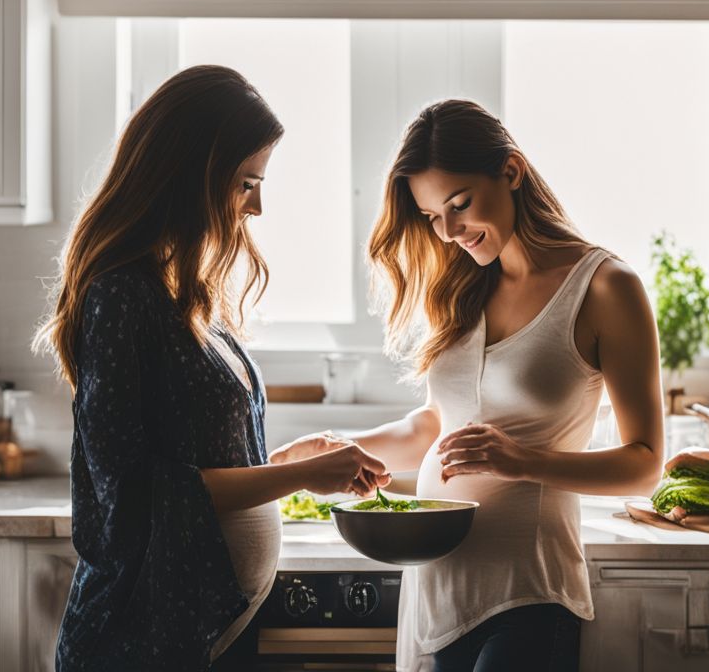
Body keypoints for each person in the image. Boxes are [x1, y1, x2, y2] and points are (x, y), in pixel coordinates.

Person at [276, 99, 666, 671]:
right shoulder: (462, 289)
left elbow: (645, 463)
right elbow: (438, 424)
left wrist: (523, 460)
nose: (451, 232)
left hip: (528, 593)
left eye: (459, 205)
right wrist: (341, 445)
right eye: (434, 217)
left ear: (511, 172)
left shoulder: (606, 288)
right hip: (436, 592)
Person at [36, 65, 389, 671]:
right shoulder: (121, 294)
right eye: (247, 182)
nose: (258, 205)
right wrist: (300, 478)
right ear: (191, 175)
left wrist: (282, 462)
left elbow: (195, 463)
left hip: (210, 629)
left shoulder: (186, 291)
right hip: (141, 640)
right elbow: (136, 493)